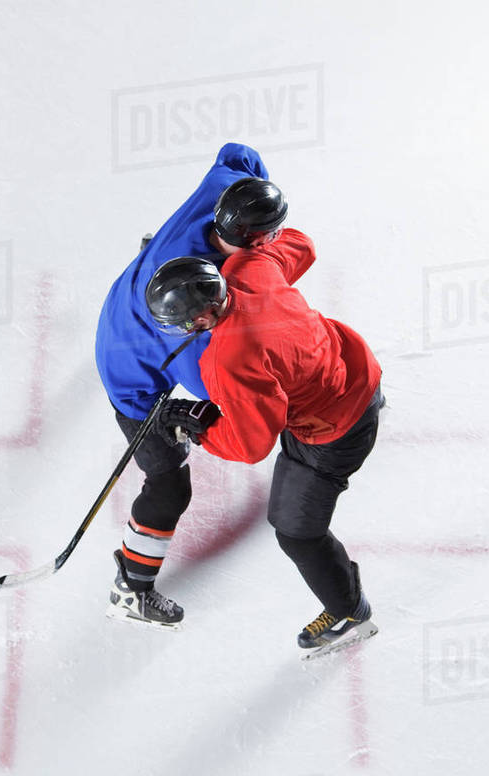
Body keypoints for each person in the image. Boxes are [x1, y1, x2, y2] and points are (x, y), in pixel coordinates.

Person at [145, 231, 383, 654]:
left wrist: (200, 430)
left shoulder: (229, 361)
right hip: (356, 368)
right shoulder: (250, 266)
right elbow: (301, 246)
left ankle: (348, 611)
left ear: (204, 315)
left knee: (296, 532)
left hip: (334, 429)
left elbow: (250, 446)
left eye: (184, 321)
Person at [95, 143, 288, 628]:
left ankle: (153, 252)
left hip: (136, 293)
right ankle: (130, 589)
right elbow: (223, 393)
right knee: (169, 485)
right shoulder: (192, 344)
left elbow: (238, 153)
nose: (276, 242)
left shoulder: (225, 188)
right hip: (132, 379)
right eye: (270, 238)